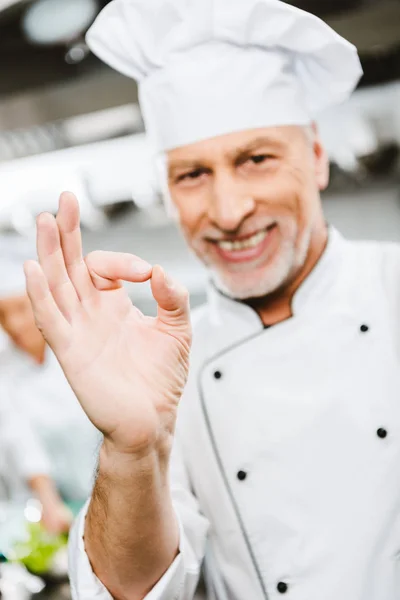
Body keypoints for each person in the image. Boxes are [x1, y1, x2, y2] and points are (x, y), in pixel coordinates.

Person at [23, 1, 400, 599]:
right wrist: (132, 448)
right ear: (167, 192)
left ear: (318, 158)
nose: (228, 213)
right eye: (192, 174)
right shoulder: (168, 364)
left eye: (256, 159)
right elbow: (129, 591)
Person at [0, 236, 100, 533]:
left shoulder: (79, 345)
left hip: (104, 487)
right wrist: (48, 498)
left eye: (20, 309)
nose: (13, 325)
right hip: (47, 508)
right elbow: (18, 434)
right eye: (2, 315)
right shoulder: (5, 368)